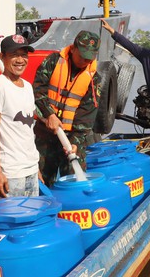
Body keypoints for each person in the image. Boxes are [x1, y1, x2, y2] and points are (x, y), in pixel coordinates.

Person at [33, 30, 102, 185]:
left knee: (76, 182)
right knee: (41, 181)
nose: (85, 61)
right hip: (45, 134)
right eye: (82, 56)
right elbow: (38, 89)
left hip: (71, 138)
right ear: (74, 48)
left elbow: (87, 115)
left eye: (89, 58)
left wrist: (75, 143)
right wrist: (49, 114)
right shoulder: (53, 61)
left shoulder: (94, 80)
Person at [0, 34, 40, 198]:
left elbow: (28, 130)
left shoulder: (28, 87)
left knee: (32, 214)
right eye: (14, 55)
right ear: (2, 57)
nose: (20, 60)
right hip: (11, 173)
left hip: (31, 169)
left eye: (24, 55)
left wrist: (35, 168)